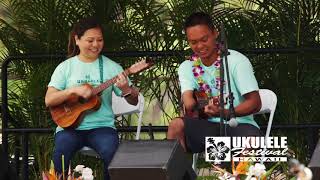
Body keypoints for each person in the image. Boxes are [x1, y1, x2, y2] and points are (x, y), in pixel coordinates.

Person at [45, 17, 139, 180]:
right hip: (69, 128)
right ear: (77, 40)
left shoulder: (112, 67)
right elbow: (49, 100)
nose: (96, 45)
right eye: (90, 40)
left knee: (112, 151)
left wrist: (125, 89)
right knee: (61, 151)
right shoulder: (65, 68)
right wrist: (73, 90)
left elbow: (133, 101)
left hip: (102, 127)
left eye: (100, 40)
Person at [167, 12, 262, 153]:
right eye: (193, 42)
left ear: (215, 33)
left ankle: (239, 175)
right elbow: (189, 103)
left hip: (239, 125)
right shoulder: (187, 66)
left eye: (204, 39)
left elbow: (255, 103)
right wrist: (197, 104)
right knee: (176, 125)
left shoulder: (237, 61)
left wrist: (224, 112)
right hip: (207, 126)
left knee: (251, 141)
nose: (199, 46)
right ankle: (177, 174)